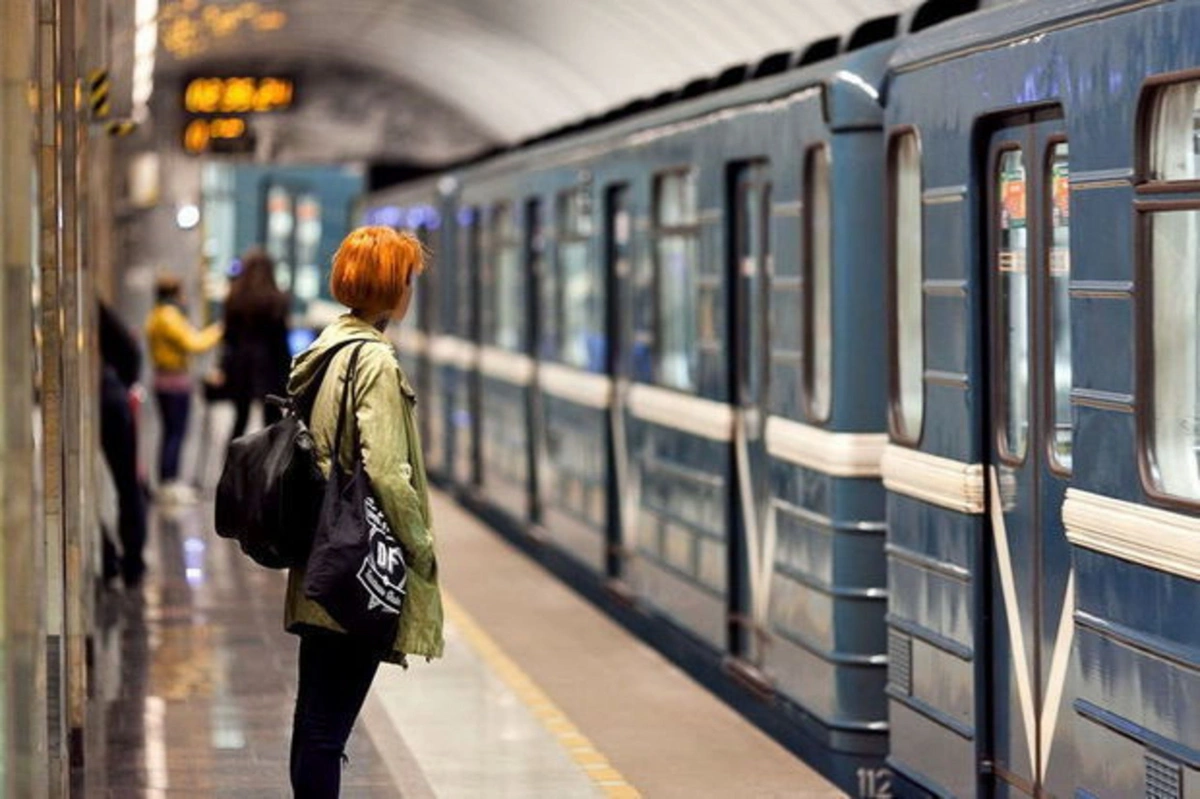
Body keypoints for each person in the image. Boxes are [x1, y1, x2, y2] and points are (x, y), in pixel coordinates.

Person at [284, 227, 443, 798]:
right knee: (327, 730)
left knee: (313, 723)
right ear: (393, 285)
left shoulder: (329, 347)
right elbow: (386, 471)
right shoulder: (373, 361)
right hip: (355, 565)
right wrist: (420, 544)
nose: (410, 290)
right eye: (407, 279)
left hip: (322, 557)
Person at [144, 274, 222, 504]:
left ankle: (167, 480)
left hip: (163, 381)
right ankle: (169, 483)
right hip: (174, 383)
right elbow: (194, 343)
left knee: (170, 432)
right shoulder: (169, 317)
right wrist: (217, 331)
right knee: (175, 432)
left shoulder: (156, 315)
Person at [219, 247, 292, 446]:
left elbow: (228, 338)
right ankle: (274, 470)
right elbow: (281, 341)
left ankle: (233, 469)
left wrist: (223, 368)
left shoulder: (234, 299)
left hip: (240, 366)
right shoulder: (277, 300)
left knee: (239, 420)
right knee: (273, 421)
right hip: (269, 366)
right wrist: (288, 375)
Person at [99, 299, 149, 587]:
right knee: (126, 482)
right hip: (110, 397)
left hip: (108, 401)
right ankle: (126, 560)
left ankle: (129, 560)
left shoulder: (89, 307)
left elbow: (129, 353)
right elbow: (129, 353)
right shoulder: (92, 307)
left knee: (126, 483)